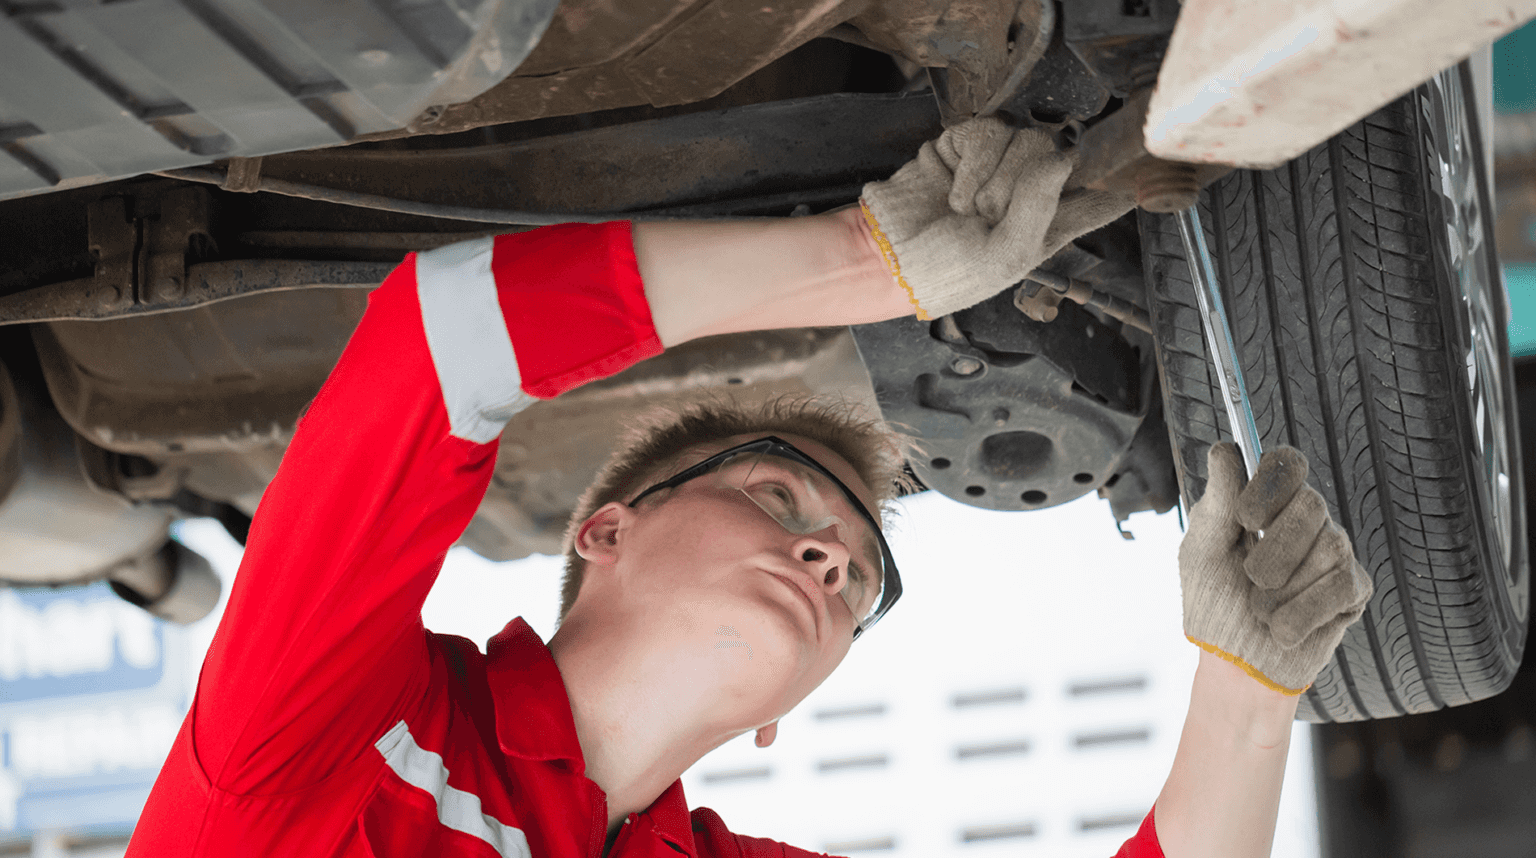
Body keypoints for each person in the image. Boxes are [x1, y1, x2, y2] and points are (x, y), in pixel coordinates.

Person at [126, 119, 1372, 858]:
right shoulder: (346, 734)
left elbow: (436, 354)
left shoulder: (336, 736)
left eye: (793, 511)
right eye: (834, 553)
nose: (833, 561)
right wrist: (858, 266)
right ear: (606, 531)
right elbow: (437, 345)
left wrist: (1246, 697)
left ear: (606, 526)